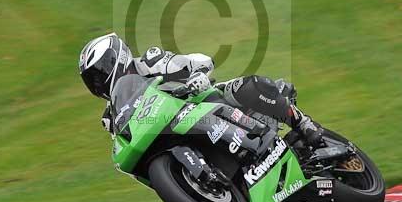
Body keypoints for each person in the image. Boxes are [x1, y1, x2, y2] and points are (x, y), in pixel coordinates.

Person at [78, 32, 324, 149]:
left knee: (244, 87)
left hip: (203, 102)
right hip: (171, 131)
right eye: (93, 80)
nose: (98, 84)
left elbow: (200, 61)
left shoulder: (151, 63)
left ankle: (303, 123)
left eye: (99, 74)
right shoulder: (111, 117)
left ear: (116, 58)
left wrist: (197, 76)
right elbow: (123, 144)